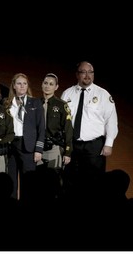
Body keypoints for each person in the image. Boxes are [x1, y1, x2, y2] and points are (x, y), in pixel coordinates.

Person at [61, 61, 118, 189]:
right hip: (72, 145)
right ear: (77, 75)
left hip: (94, 146)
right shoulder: (67, 94)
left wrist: (109, 144)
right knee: (70, 180)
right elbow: (62, 120)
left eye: (90, 72)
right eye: (83, 72)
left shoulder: (103, 94)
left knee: (94, 182)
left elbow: (111, 120)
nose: (87, 75)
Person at [3, 73, 45, 199]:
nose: (22, 86)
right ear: (14, 86)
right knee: (11, 181)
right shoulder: (7, 103)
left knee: (28, 181)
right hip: (11, 145)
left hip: (28, 146)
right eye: (19, 83)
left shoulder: (35, 103)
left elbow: (41, 127)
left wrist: (38, 149)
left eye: (25, 84)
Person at [39, 73, 73, 171]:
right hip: (37, 149)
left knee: (53, 180)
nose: (47, 86)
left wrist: (68, 152)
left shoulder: (62, 105)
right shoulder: (36, 104)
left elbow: (68, 129)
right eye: (45, 83)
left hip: (54, 148)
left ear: (56, 87)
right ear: (42, 84)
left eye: (51, 84)